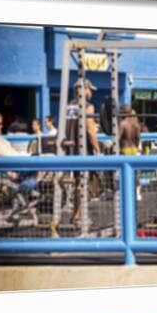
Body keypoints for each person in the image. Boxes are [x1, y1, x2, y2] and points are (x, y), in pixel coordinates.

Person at [65, 78, 101, 225]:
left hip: (68, 149)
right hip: (82, 150)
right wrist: (97, 149)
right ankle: (78, 216)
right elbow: (90, 129)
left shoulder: (68, 106)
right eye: (90, 89)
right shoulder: (88, 106)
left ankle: (76, 214)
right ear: (84, 90)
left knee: (77, 183)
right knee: (85, 183)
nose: (91, 92)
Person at [119, 105, 142, 201]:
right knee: (136, 173)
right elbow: (137, 138)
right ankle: (137, 193)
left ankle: (125, 193)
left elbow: (118, 138)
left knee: (124, 174)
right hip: (134, 150)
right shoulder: (136, 124)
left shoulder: (123, 124)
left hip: (125, 150)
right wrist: (137, 147)